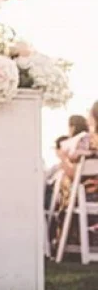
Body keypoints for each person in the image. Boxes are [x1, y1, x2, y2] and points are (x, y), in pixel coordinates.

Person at [55, 102, 98, 248]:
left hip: (89, 195)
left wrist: (62, 158)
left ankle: (64, 240)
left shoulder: (87, 141)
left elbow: (75, 174)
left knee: (58, 192)